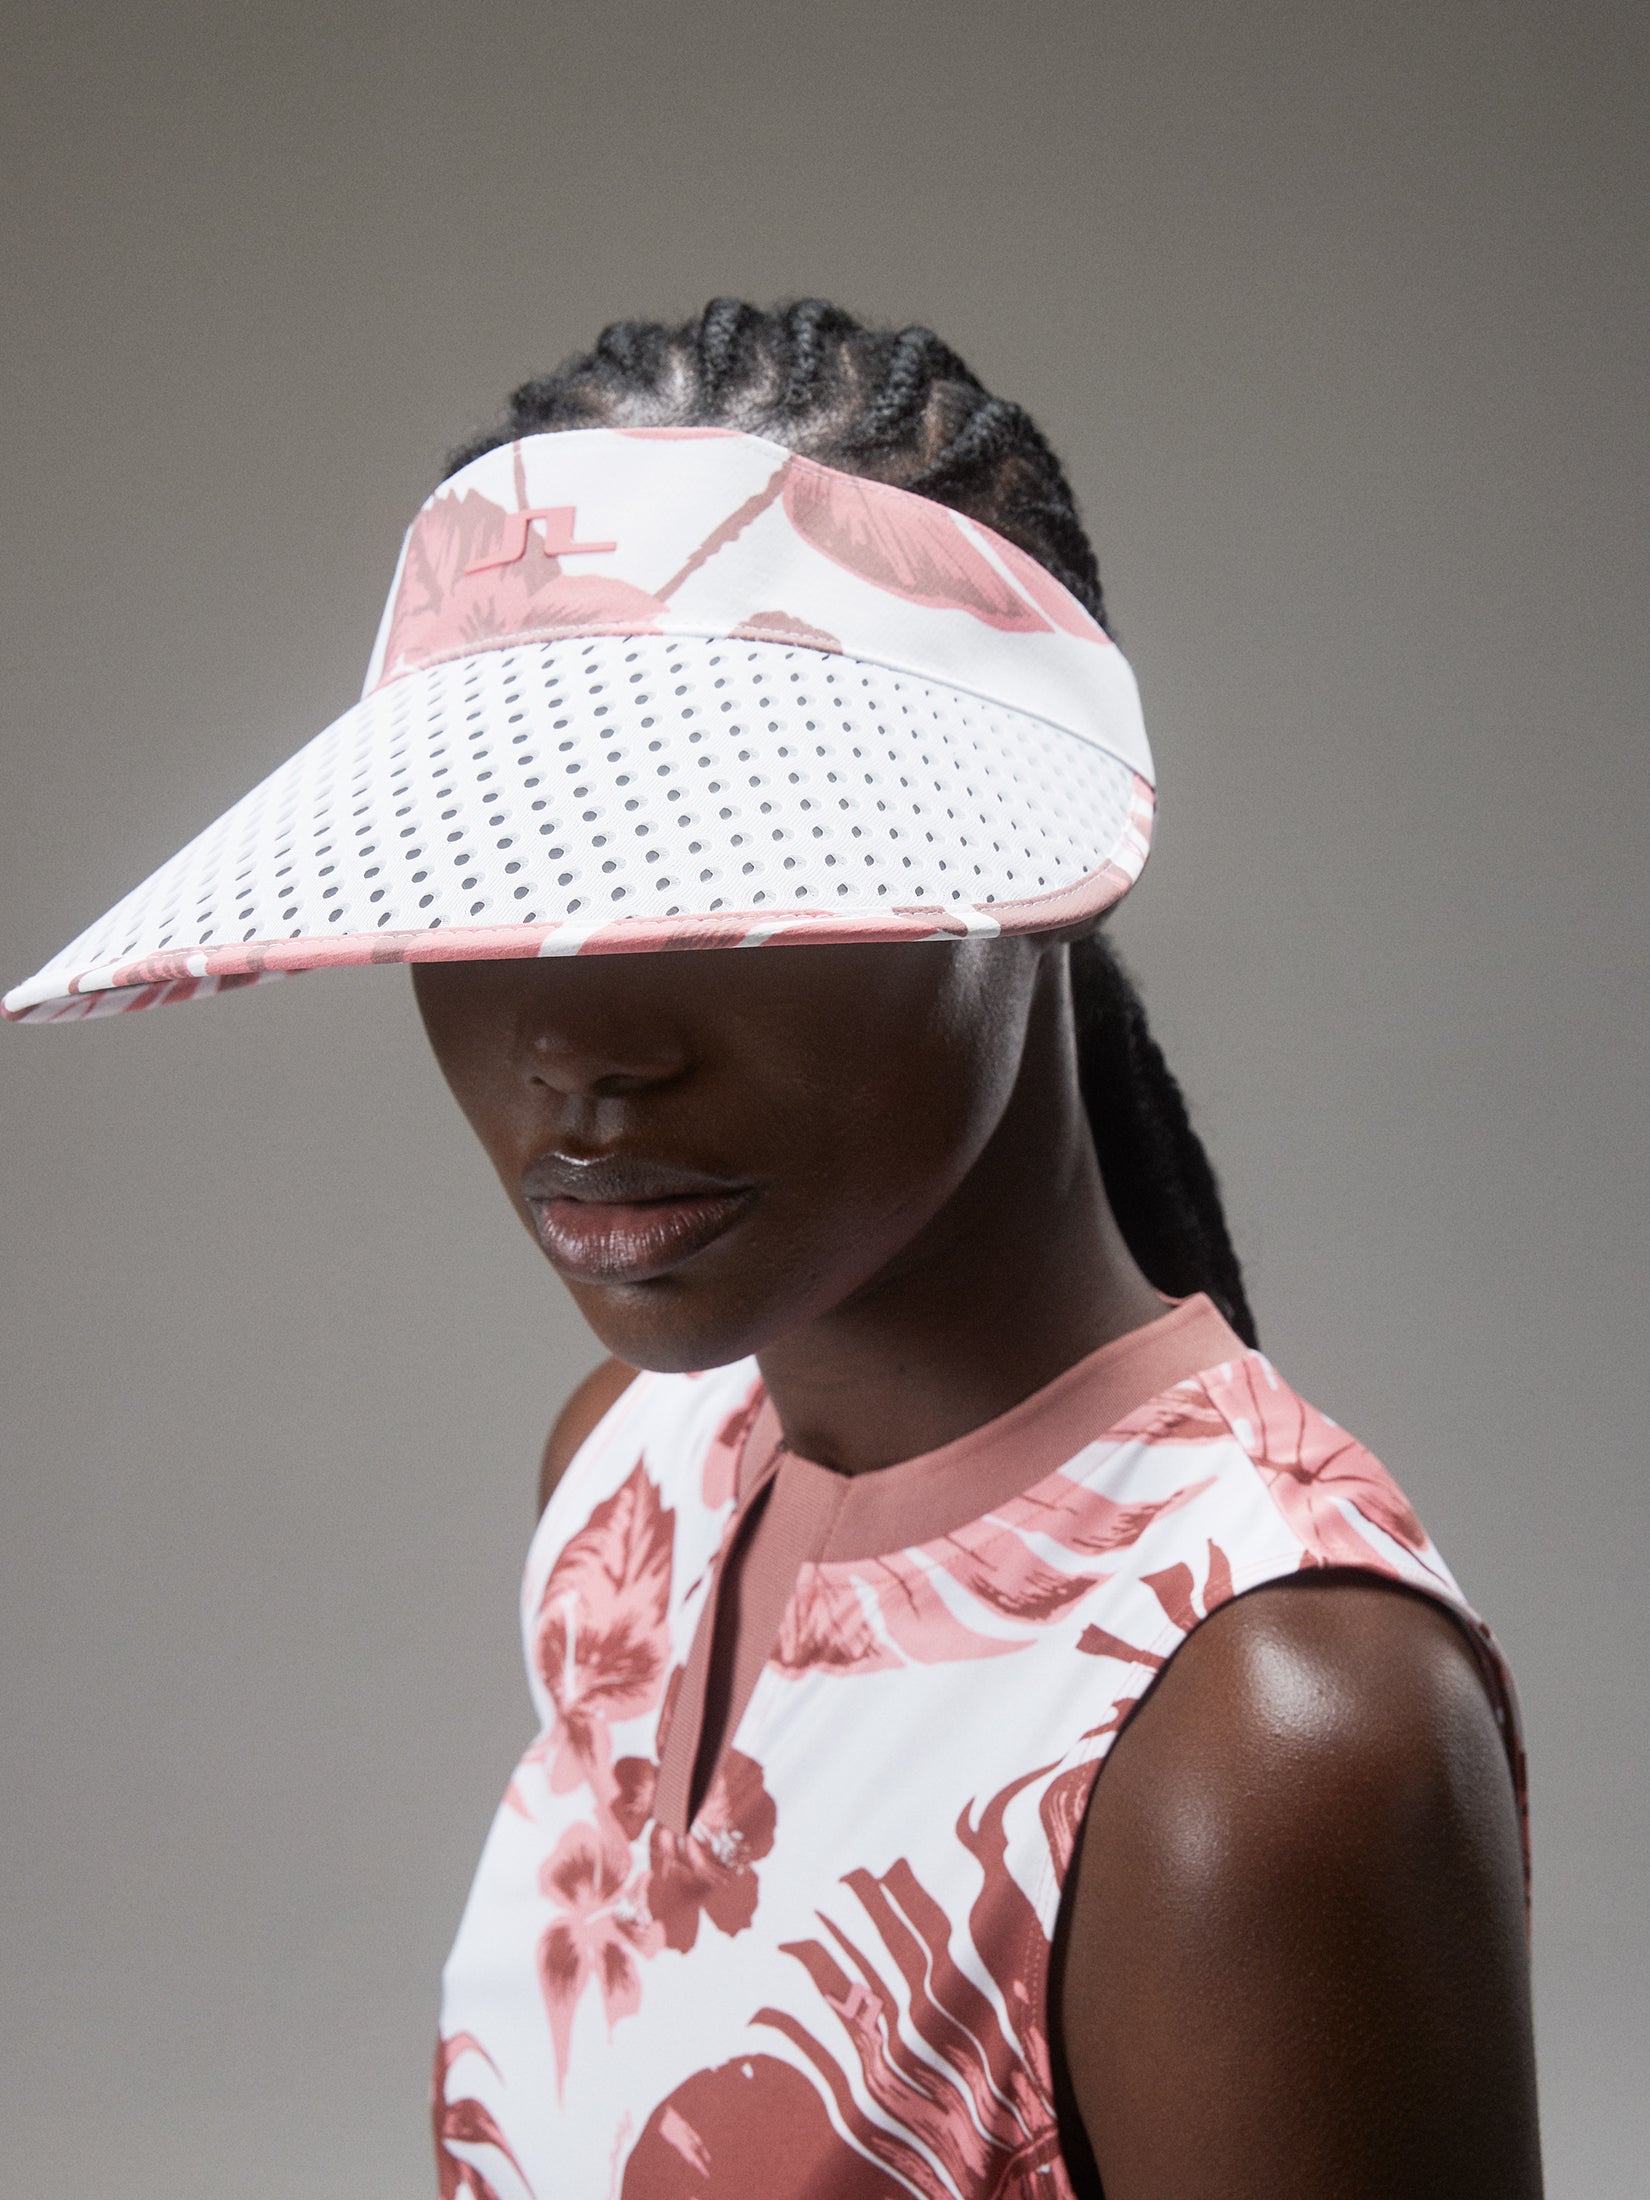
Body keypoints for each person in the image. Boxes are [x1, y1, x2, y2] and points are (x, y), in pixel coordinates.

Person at [5, 300, 1541, 2197]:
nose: (578, 1046)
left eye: (724, 863)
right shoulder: (627, 1479)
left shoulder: (1268, 1729)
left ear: (1034, 867)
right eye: (483, 870)